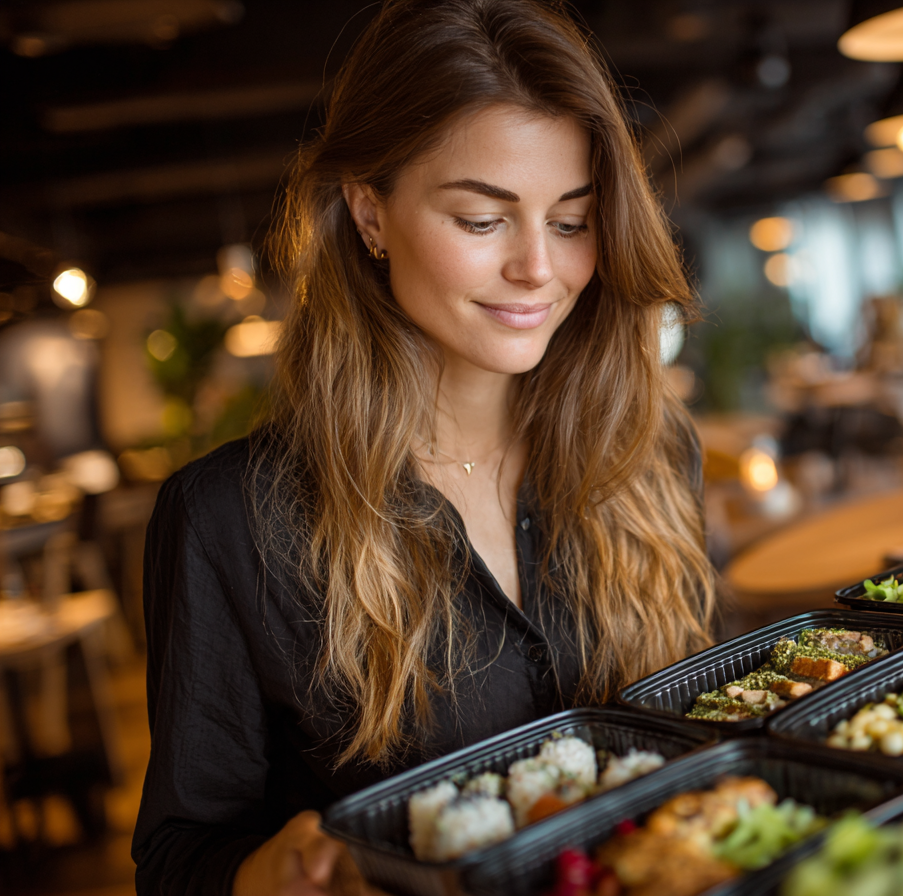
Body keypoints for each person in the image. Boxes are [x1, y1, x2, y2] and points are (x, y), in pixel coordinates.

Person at [131, 1, 716, 893]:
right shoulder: (230, 522)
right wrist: (266, 873)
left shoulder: (651, 452)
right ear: (370, 212)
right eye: (482, 221)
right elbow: (178, 858)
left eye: (570, 221)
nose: (538, 268)